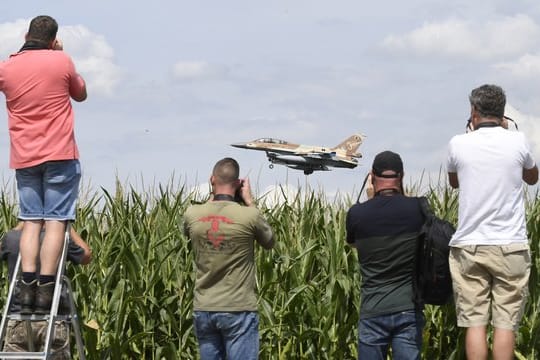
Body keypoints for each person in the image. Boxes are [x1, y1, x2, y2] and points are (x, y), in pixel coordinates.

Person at [0, 15, 87, 315]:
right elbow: (81, 94)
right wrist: (58, 54)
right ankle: (46, 289)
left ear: (26, 34)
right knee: (55, 222)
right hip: (60, 154)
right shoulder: (61, 62)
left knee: (31, 220)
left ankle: (26, 288)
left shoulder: (6, 67)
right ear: (54, 39)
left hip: (24, 156)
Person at [446, 84, 538, 360]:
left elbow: (454, 182)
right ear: (502, 113)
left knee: (475, 322)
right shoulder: (518, 141)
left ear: (473, 111)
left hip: (470, 245)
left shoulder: (457, 143)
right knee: (505, 323)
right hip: (510, 246)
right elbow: (533, 177)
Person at [183, 157, 275, 360]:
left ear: (211, 179)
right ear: (238, 184)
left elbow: (188, 233)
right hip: (238, 308)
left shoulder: (192, 213)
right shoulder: (250, 215)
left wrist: (212, 196)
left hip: (204, 308)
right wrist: (249, 201)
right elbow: (269, 242)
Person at [346, 151, 425, 360]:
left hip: (373, 309)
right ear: (402, 176)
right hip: (408, 308)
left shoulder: (357, 214)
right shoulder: (418, 208)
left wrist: (371, 200)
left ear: (371, 177)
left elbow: (353, 243)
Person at [0, 222, 92, 358]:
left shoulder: (12, 238)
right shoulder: (60, 239)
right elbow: (86, 256)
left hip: (18, 318)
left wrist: (24, 222)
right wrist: (65, 225)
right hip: (53, 320)